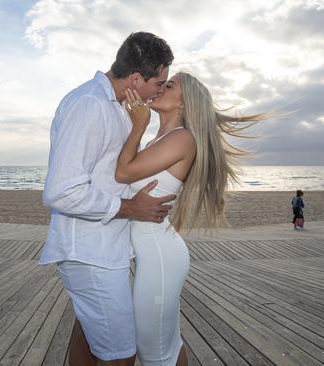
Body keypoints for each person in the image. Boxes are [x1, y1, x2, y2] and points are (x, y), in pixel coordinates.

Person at [40, 32, 175, 366]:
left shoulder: (117, 108)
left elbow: (115, 173)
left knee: (89, 333)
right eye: (159, 82)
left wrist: (138, 127)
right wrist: (133, 208)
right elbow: (61, 191)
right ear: (135, 78)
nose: (161, 90)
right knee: (121, 355)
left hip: (103, 250)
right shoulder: (90, 105)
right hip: (88, 253)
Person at [116, 72, 267, 365]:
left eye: (169, 85)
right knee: (168, 346)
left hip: (159, 255)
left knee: (154, 353)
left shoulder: (182, 138)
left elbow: (123, 173)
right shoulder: (161, 138)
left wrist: (138, 125)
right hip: (156, 251)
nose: (160, 87)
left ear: (184, 105)